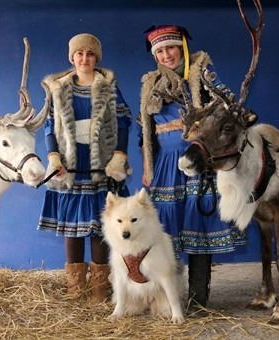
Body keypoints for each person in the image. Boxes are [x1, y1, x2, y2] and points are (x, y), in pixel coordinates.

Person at [139, 25, 245, 310]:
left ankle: (198, 299)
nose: (166, 55)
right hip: (165, 168)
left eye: (171, 48)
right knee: (165, 235)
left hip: (200, 164)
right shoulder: (151, 84)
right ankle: (167, 299)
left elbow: (230, 110)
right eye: (160, 51)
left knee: (199, 230)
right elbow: (146, 132)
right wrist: (147, 165)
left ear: (182, 47)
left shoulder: (205, 74)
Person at [38, 33, 131, 303]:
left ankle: (101, 290)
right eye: (79, 54)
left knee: (100, 225)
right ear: (72, 57)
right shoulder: (59, 87)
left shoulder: (108, 87)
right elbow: (49, 126)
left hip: (101, 164)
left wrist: (119, 155)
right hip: (70, 164)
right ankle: (76, 289)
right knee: (73, 228)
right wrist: (53, 156)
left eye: (90, 54)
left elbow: (124, 122)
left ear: (97, 58)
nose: (84, 58)